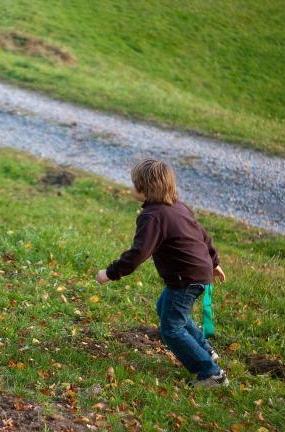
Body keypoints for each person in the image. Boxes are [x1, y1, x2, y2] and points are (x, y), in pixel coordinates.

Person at [96, 159, 228, 388]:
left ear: (143, 189)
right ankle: (205, 350)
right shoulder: (179, 206)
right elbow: (204, 237)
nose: (131, 188)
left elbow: (138, 254)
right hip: (197, 273)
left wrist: (110, 273)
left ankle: (210, 373)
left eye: (134, 184)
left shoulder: (152, 217)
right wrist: (214, 262)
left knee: (171, 329)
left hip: (185, 279)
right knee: (165, 309)